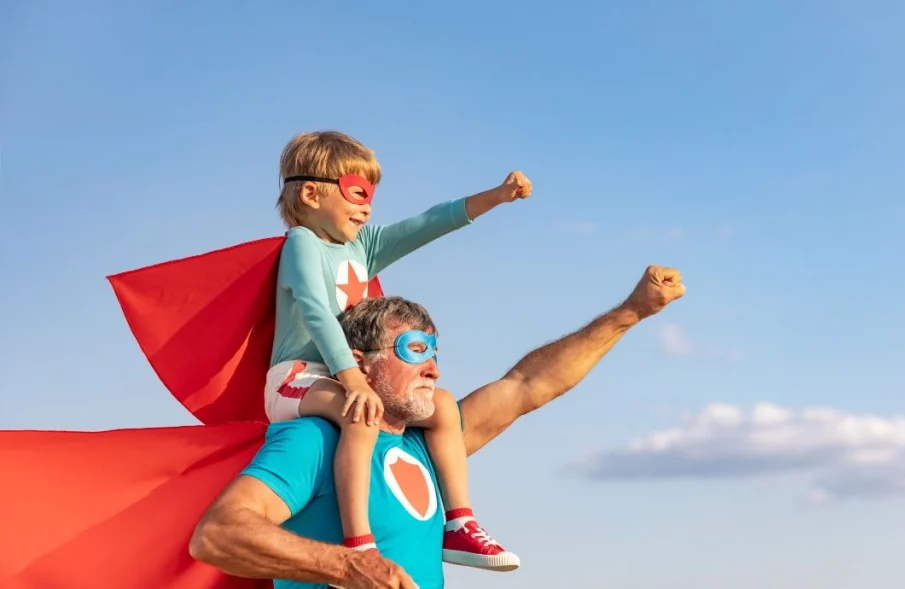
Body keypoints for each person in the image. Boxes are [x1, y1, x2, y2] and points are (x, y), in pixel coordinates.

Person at [189, 265, 687, 589]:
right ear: (359, 365)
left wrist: (630, 313)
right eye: (414, 352)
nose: (434, 370)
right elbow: (218, 535)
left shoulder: (428, 448)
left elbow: (528, 385)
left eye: (435, 353)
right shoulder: (316, 440)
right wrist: (346, 565)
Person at [266, 130, 531, 570]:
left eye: (371, 195)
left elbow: (428, 223)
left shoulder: (363, 246)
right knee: (362, 412)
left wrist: (497, 196)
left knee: (443, 406)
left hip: (347, 372)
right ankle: (359, 543)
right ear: (312, 193)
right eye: (356, 192)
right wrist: (352, 380)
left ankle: (459, 524)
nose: (367, 206)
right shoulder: (302, 245)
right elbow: (314, 309)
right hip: (298, 377)